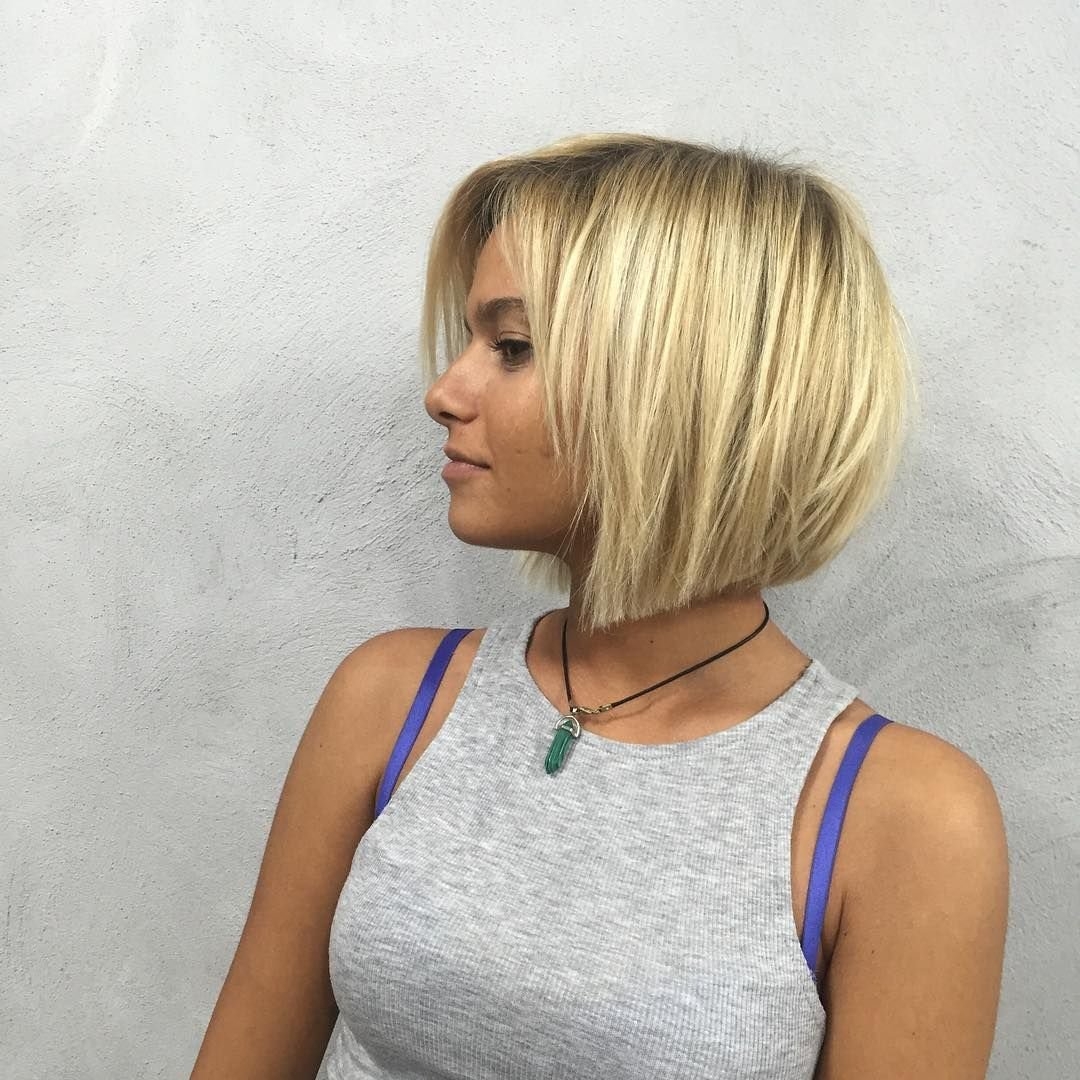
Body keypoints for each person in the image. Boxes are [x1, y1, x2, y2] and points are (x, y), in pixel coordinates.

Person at [192, 134, 1009, 1079]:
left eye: (512, 347)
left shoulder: (901, 816)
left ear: (681, 388)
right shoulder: (394, 701)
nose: (444, 392)